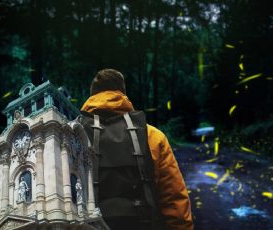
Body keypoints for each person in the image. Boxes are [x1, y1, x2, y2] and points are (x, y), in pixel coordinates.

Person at [80, 69, 193, 230]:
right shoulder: (153, 136)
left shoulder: (74, 136)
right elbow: (175, 201)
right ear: (123, 93)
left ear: (91, 97)